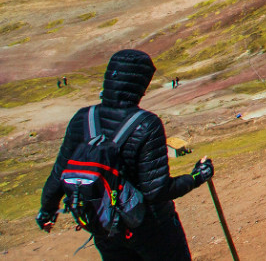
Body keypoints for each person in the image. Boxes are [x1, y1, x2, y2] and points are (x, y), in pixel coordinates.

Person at [37, 50, 212, 260]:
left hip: (105, 227)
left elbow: (59, 174)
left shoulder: (82, 119)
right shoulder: (147, 124)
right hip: (152, 228)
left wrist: (47, 211)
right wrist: (196, 177)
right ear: (140, 86)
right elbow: (156, 192)